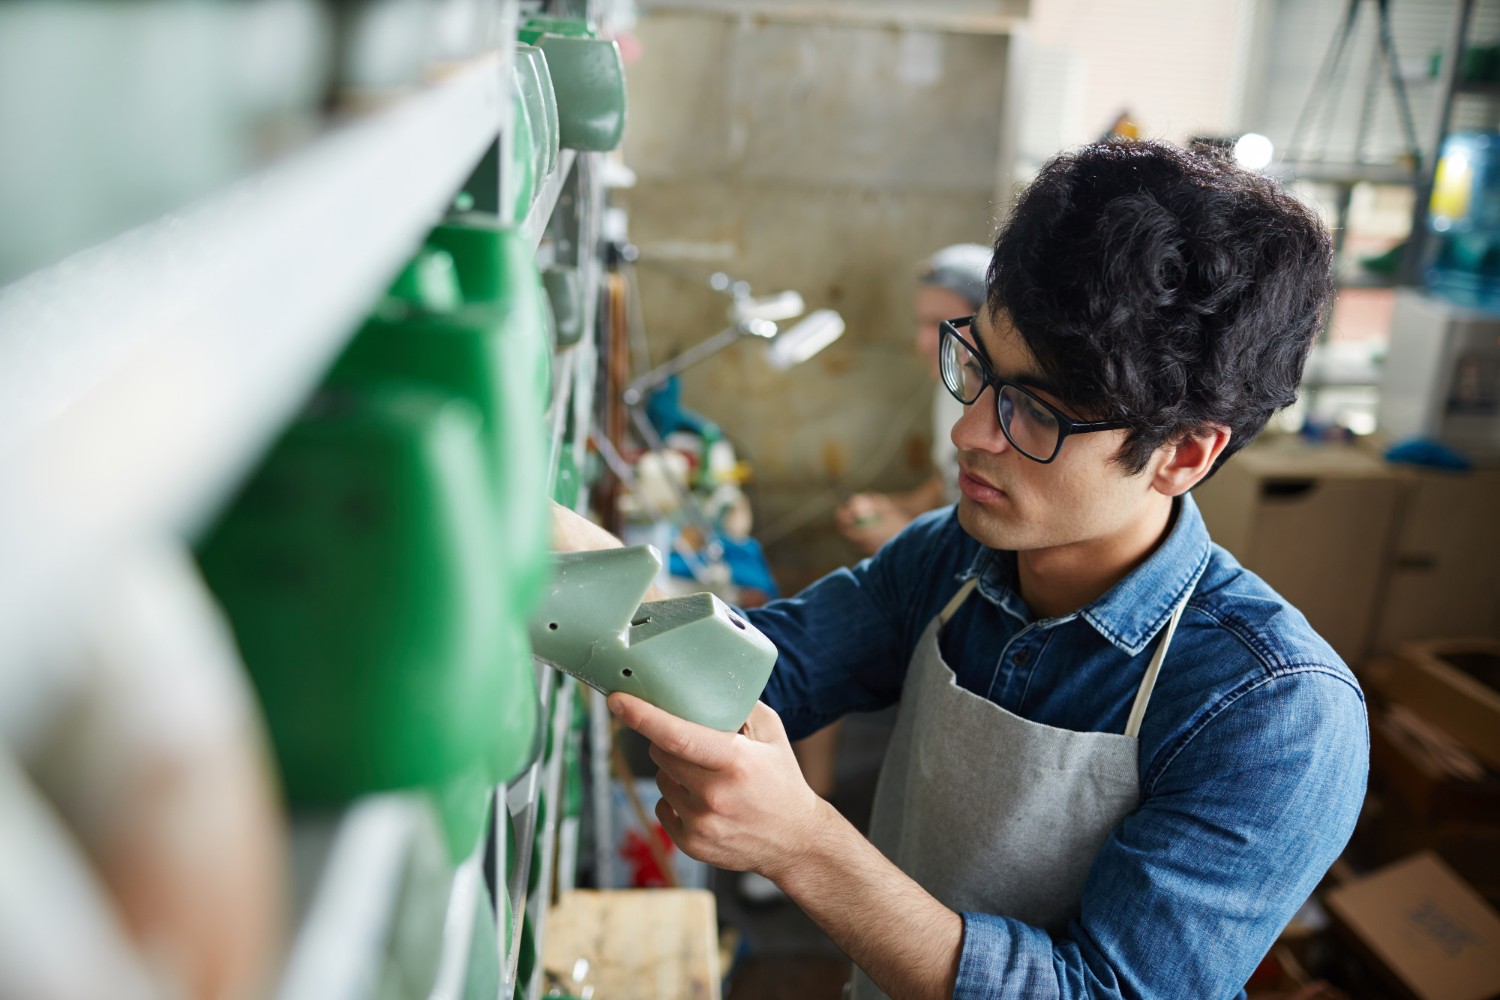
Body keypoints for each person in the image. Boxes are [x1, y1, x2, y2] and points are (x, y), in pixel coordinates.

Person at [554, 140, 1367, 999]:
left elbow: (1100, 992)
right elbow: (753, 671)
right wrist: (521, 532)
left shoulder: (1274, 712)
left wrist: (801, 844)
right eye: (978, 369)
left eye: (1036, 413)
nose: (970, 434)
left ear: (1182, 455)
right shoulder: (953, 556)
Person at [836, 243, 990, 555]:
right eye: (920, 324)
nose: (921, 344)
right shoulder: (952, 388)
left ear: (991, 322)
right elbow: (945, 485)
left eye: (941, 324)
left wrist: (904, 537)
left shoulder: (1006, 407)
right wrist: (893, 507)